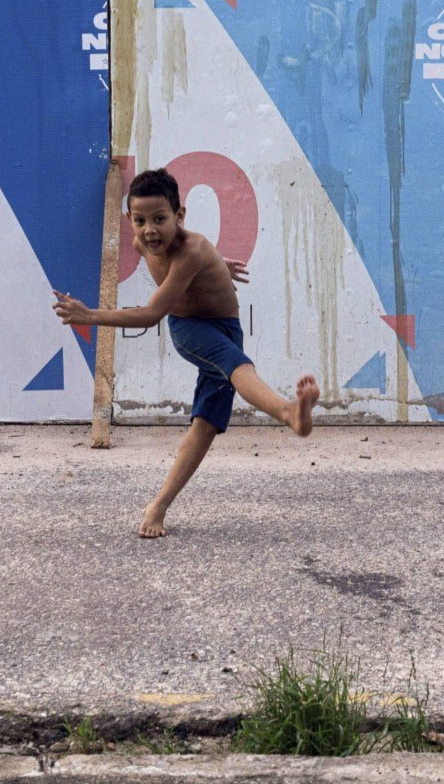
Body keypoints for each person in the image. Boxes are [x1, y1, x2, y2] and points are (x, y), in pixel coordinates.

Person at [53, 168, 319, 538]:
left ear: (180, 216)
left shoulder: (193, 249)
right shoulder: (141, 244)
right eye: (141, 221)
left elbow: (172, 283)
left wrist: (213, 263)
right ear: (130, 220)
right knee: (237, 368)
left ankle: (157, 506)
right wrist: (90, 316)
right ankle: (287, 411)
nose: (150, 231)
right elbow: (156, 312)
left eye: (160, 219)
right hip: (190, 329)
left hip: (225, 327)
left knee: (205, 426)